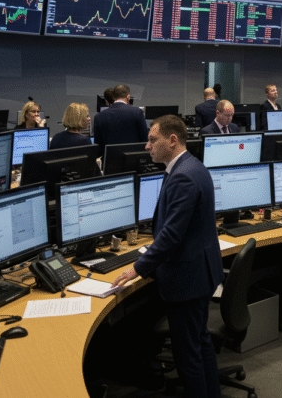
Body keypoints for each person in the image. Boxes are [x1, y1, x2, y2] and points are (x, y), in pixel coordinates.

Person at [112, 115, 224, 398]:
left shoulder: (183, 176)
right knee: (200, 344)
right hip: (201, 270)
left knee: (188, 356)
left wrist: (137, 268)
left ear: (172, 140)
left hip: (187, 279)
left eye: (152, 140)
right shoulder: (193, 167)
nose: (147, 146)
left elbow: (171, 237)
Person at [93, 84, 149, 161]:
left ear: (114, 97)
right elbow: (145, 139)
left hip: (110, 163)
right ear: (128, 96)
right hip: (133, 161)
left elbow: (99, 147)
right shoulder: (137, 112)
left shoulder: (99, 117)